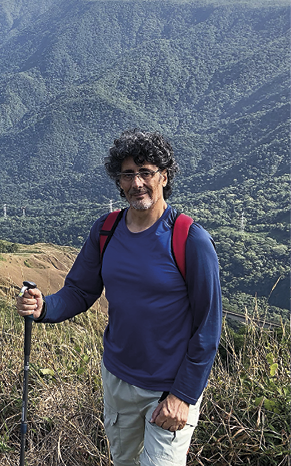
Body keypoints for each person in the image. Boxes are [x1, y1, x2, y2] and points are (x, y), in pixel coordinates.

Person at [16, 129, 222, 466]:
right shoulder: (106, 230)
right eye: (128, 174)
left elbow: (208, 327)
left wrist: (183, 396)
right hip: (118, 381)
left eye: (146, 172)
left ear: (164, 177)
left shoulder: (190, 240)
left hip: (168, 390)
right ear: (119, 182)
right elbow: (81, 290)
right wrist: (44, 306)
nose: (137, 183)